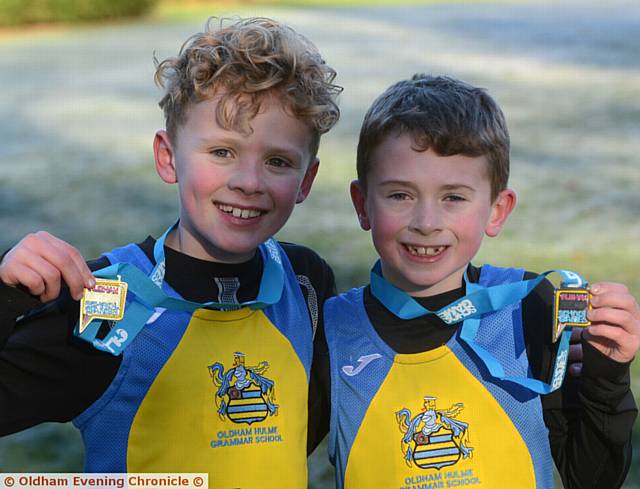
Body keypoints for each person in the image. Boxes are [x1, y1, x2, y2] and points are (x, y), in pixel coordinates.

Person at [0, 17, 341, 488]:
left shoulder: (306, 283)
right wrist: (5, 298)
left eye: (277, 161)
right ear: (167, 157)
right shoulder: (105, 297)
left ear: (306, 180)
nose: (248, 182)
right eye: (222, 151)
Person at [321, 74, 639, 489]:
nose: (426, 223)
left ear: (496, 210)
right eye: (400, 195)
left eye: (453, 197)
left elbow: (593, 478)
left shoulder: (534, 307)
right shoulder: (329, 329)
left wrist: (606, 375)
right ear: (363, 205)